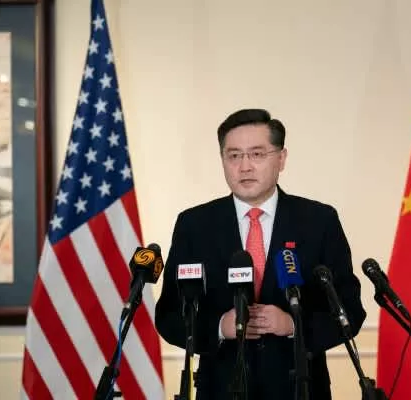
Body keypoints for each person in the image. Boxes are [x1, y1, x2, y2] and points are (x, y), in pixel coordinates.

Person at [155, 108, 366, 400]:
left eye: (257, 154)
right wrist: (219, 327)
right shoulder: (195, 225)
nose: (245, 167)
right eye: (234, 155)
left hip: (299, 390)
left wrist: (293, 325)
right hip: (220, 390)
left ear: (281, 158)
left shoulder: (318, 221)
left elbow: (349, 311)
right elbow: (169, 316)